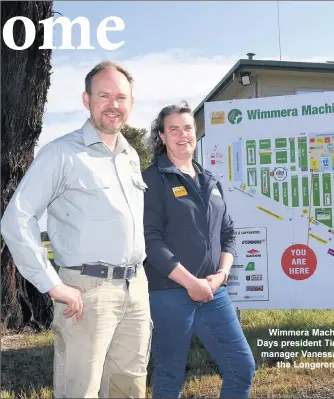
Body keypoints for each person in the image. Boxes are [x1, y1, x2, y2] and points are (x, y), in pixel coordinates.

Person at [1, 61, 152, 398]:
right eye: (104, 95)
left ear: (130, 103)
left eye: (121, 97)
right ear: (86, 100)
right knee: (79, 392)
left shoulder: (130, 157)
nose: (113, 104)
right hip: (85, 292)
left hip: (136, 289)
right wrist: (53, 284)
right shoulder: (62, 154)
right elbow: (16, 218)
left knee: (128, 389)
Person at [142, 101, 255, 399]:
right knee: (169, 378)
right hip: (169, 292)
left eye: (188, 128)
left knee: (241, 367)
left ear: (196, 132)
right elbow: (150, 241)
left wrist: (220, 276)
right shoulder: (150, 180)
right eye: (174, 129)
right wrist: (191, 283)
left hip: (213, 291)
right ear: (162, 137)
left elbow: (228, 233)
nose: (183, 135)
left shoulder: (209, 180)